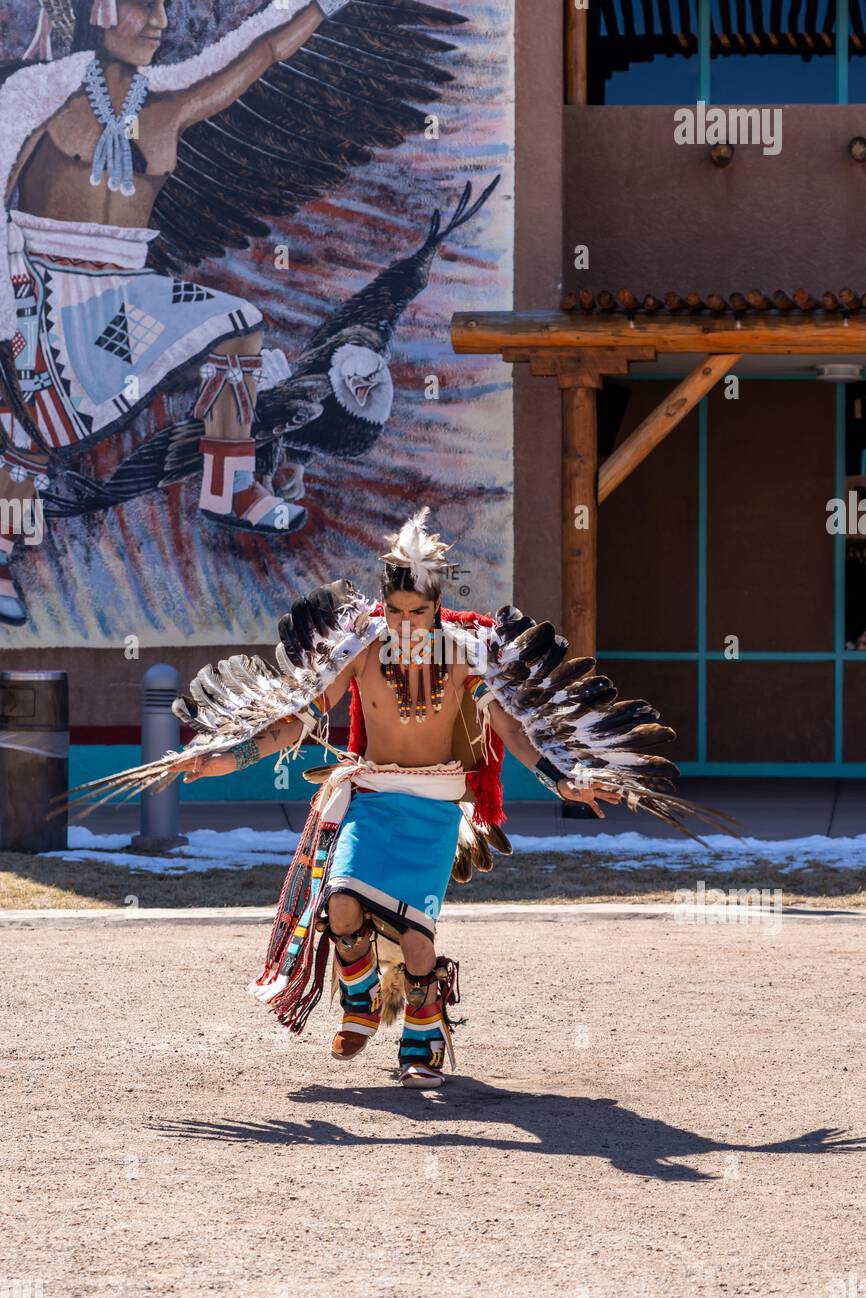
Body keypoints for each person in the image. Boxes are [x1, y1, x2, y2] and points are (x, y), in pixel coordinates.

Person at [184, 508, 622, 1087]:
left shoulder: (468, 654)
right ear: (382, 606)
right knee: (340, 901)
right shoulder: (360, 649)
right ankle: (360, 1000)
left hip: (436, 809)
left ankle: (422, 1032)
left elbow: (513, 729)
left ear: (437, 607)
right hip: (372, 797)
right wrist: (229, 758)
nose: (406, 622)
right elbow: (300, 719)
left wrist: (559, 779)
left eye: (418, 611)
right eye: (395, 610)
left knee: (418, 940)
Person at [0, 0, 355, 624]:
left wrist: (324, 6)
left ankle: (228, 487)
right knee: (27, 428)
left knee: (238, 324)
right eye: (142, 6)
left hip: (127, 293)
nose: (159, 21)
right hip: (41, 288)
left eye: (165, 6)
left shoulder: (168, 102)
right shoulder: (39, 94)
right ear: (100, 12)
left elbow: (262, 51)